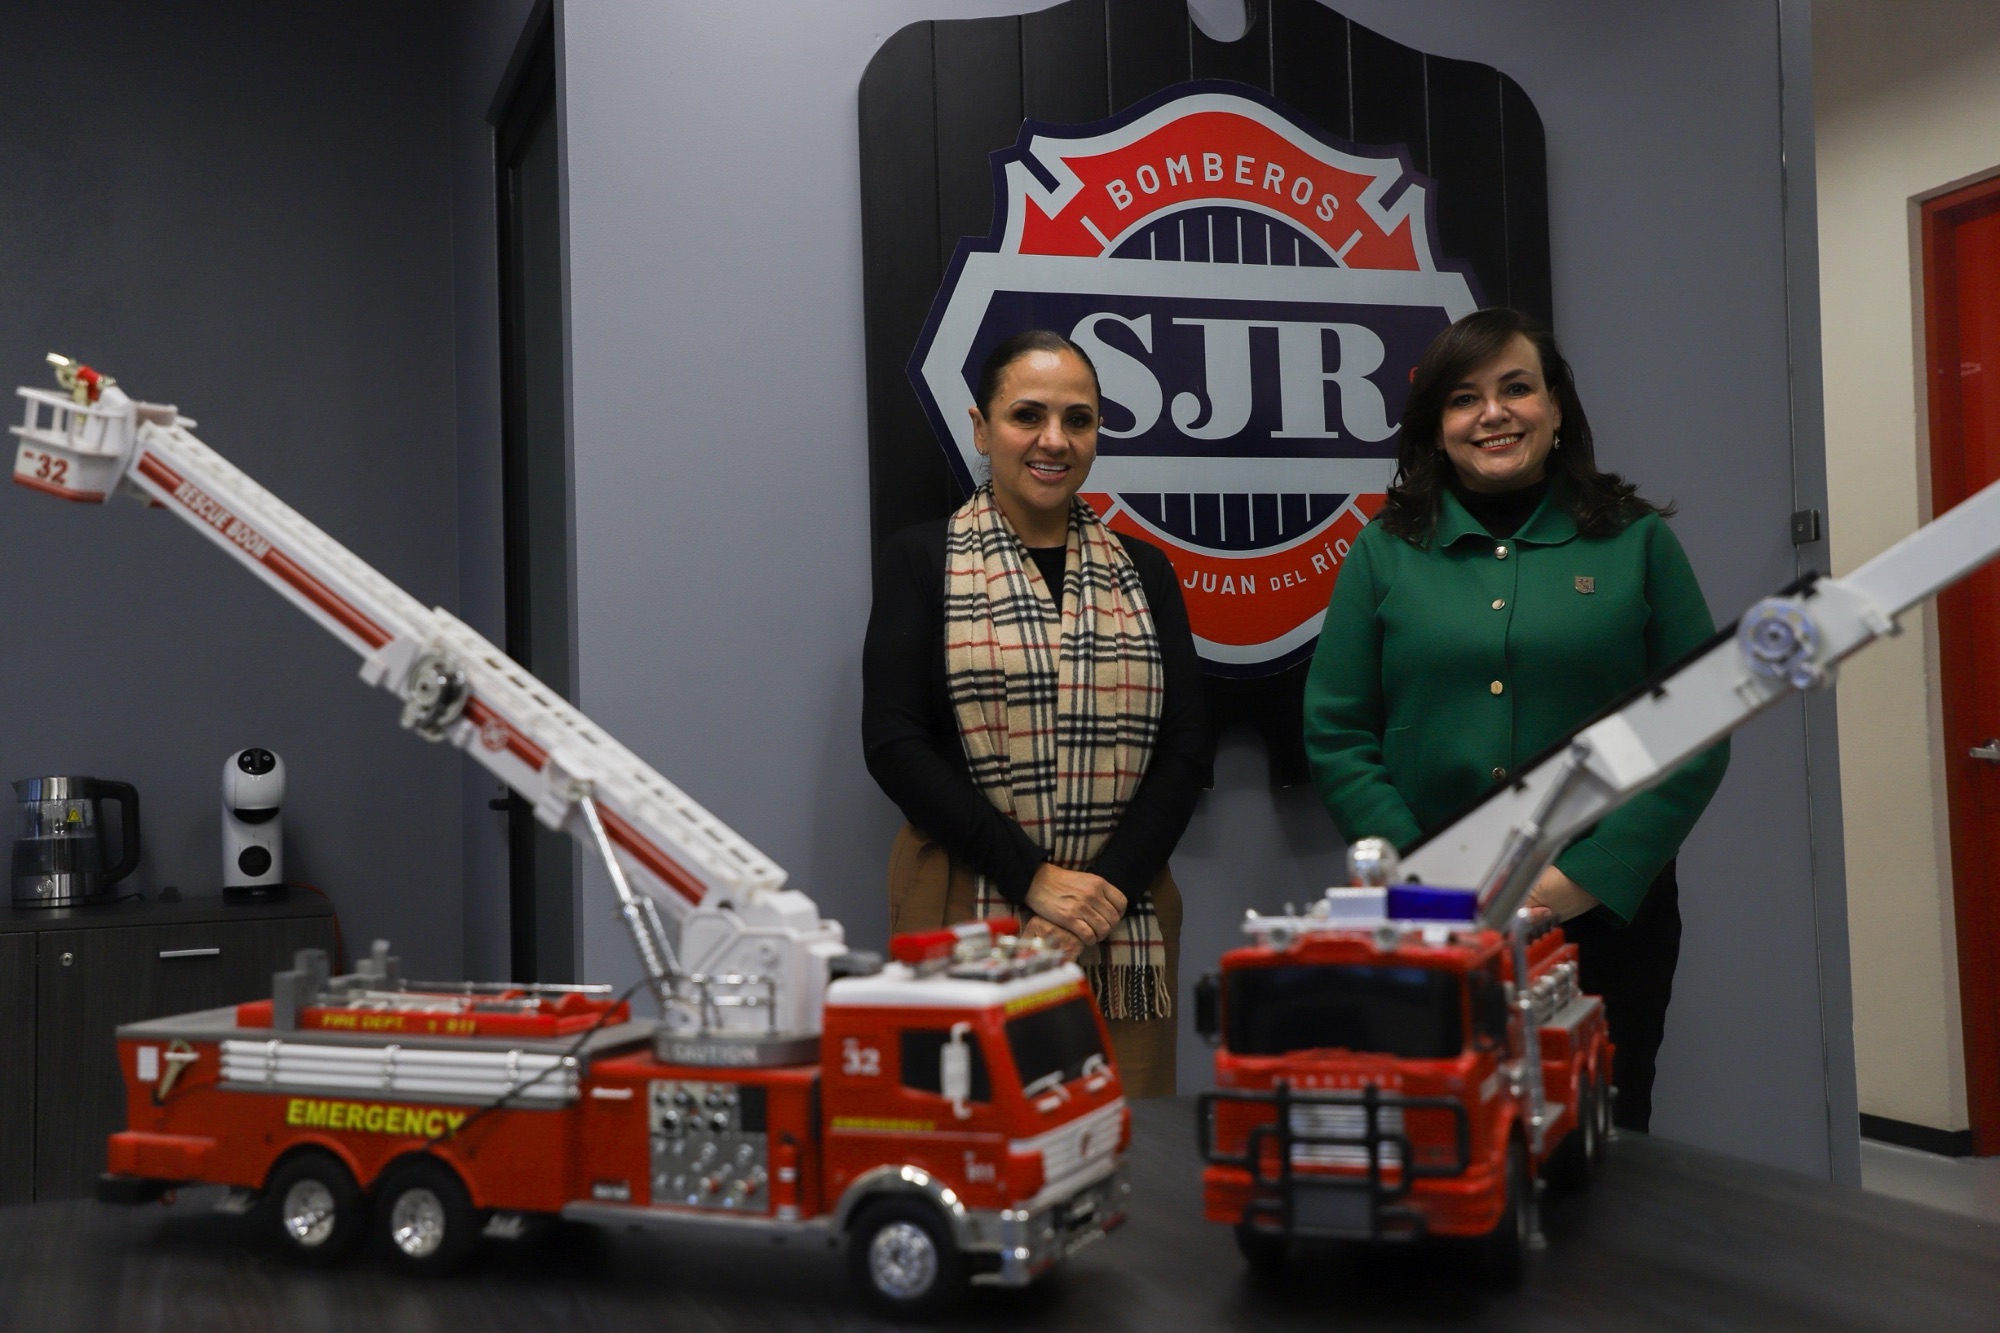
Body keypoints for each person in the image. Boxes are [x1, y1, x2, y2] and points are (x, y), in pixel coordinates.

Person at [1302, 307, 1728, 1132]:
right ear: (1437, 427)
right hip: (1431, 918)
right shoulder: (1385, 550)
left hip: (1604, 919)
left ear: (1556, 406)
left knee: (1597, 1138)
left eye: (1516, 389)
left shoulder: (1636, 541)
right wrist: (1427, 875)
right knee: (1442, 1135)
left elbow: (1700, 724)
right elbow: (1338, 731)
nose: (1492, 414)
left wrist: (1577, 883)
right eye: (1464, 398)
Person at [862, 329, 1208, 1097]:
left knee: (1124, 1134)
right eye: (1028, 415)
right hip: (965, 895)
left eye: (1078, 419)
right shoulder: (923, 560)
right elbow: (894, 742)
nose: (1055, 440)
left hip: (1122, 911)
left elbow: (1187, 747)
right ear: (982, 428)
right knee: (967, 1121)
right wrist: (1034, 878)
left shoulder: (1145, 570)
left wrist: (1100, 892)